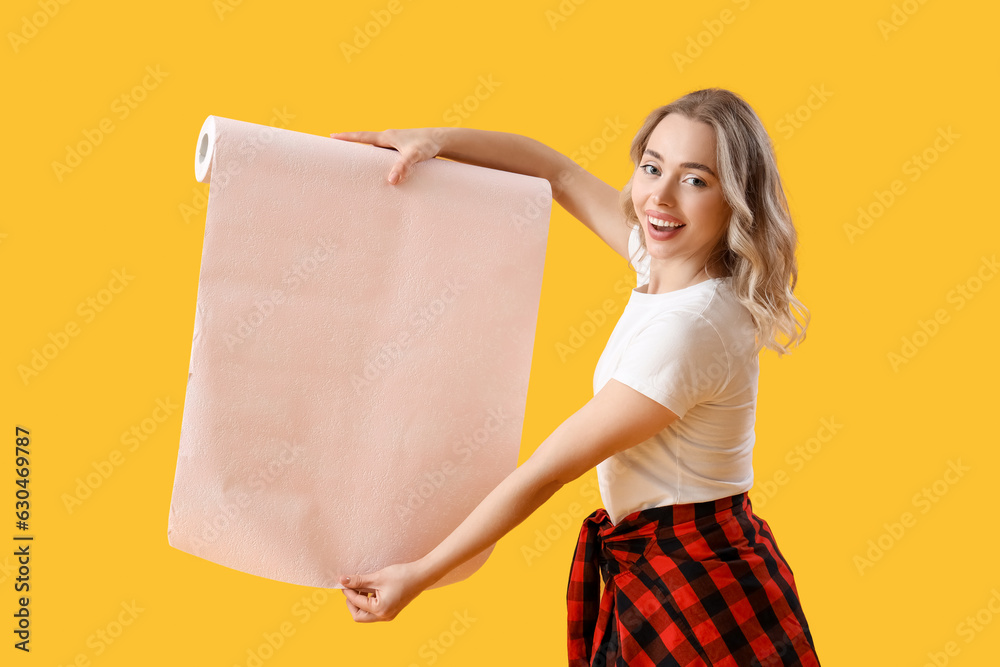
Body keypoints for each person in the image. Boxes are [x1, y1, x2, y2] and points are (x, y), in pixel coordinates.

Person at [330, 87, 820, 666]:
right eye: (651, 167)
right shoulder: (668, 264)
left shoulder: (690, 330)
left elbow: (545, 472)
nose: (658, 197)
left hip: (693, 573)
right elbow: (555, 172)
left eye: (695, 180)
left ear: (736, 199)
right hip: (675, 555)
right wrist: (434, 142)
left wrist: (419, 573)